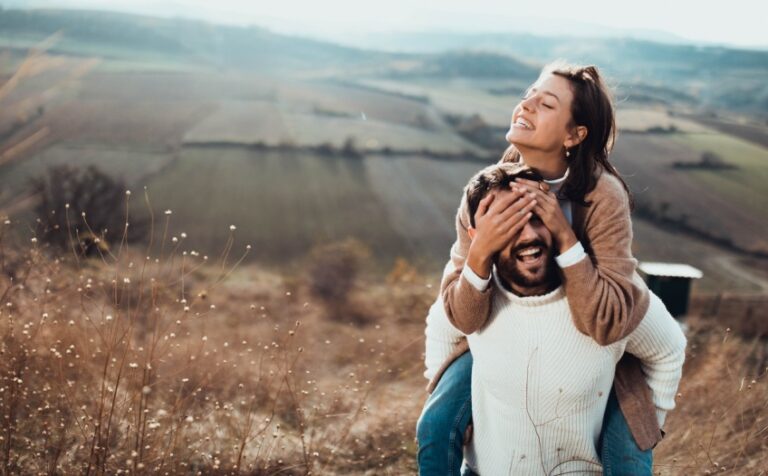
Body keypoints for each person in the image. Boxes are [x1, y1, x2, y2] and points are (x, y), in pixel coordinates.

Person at [417, 61, 672, 475]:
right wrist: (481, 250)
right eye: (528, 95)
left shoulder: (601, 196)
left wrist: (563, 234)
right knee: (435, 425)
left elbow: (607, 321)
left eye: (546, 103)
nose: (527, 104)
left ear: (574, 135)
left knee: (626, 452)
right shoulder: (490, 188)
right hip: (502, 340)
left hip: (591, 345)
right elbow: (461, 315)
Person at [458, 163, 685, 474]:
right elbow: (444, 333)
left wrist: (639, 433)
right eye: (508, 223)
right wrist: (455, 413)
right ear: (480, 238)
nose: (527, 235)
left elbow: (669, 348)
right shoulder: (474, 295)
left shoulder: (604, 301)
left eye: (536, 217)